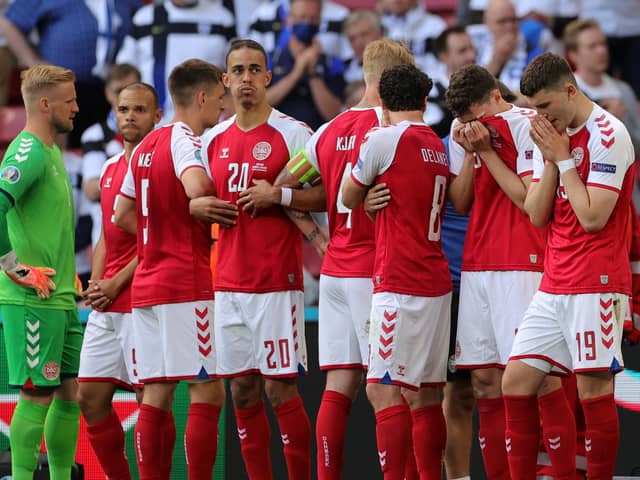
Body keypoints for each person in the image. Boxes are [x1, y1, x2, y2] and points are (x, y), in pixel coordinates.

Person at [502, 52, 635, 479]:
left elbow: (594, 217)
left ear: (570, 91)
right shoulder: (554, 137)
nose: (538, 117)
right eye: (533, 107)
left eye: (544, 107)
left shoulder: (608, 134)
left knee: (594, 390)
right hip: (554, 282)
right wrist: (549, 157)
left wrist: (563, 160)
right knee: (515, 382)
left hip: (596, 282)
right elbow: (537, 214)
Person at [192, 39, 312, 480]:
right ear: (225, 81)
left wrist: (278, 194)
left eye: (254, 69)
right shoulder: (211, 140)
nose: (246, 78)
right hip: (225, 284)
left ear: (268, 77)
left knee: (281, 389)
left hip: (276, 283)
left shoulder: (294, 134)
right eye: (237, 70)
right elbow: (195, 201)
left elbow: (324, 196)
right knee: (241, 390)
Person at [114, 59, 227, 480]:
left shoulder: (144, 146)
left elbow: (122, 212)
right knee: (207, 391)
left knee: (156, 393)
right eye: (219, 97)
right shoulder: (185, 139)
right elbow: (198, 190)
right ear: (201, 97)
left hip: (146, 285)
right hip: (185, 283)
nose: (221, 106)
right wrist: (192, 209)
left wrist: (155, 228)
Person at [342, 63, 451, 480]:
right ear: (425, 101)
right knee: (425, 394)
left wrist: (367, 195)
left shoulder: (383, 138)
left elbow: (348, 196)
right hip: (435, 280)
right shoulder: (436, 145)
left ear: (381, 103)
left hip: (399, 281)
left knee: (382, 389)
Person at [445, 64, 548, 479]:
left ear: (493, 97)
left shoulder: (526, 125)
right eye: (466, 122)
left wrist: (488, 150)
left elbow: (528, 200)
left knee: (527, 379)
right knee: (485, 381)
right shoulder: (465, 133)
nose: (472, 127)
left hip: (521, 261)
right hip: (476, 265)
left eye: (476, 118)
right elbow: (462, 203)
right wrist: (470, 152)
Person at [0, 65, 82, 480]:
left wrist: (69, 274)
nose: (77, 108)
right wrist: (13, 267)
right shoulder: (28, 151)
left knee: (70, 395)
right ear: (45, 103)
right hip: (33, 298)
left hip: (60, 295)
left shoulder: (50, 151)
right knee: (37, 394)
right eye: (69, 100)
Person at [77, 82, 162, 480]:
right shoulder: (110, 168)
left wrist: (116, 284)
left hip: (144, 300)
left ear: (157, 117)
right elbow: (106, 238)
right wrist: (96, 286)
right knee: (90, 398)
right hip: (107, 303)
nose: (130, 116)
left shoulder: (165, 168)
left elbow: (159, 239)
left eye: (139, 110)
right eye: (124, 109)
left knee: (151, 402)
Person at [0, 0, 141, 147]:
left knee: (111, 150)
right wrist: (32, 61)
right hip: (64, 88)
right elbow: (9, 23)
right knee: (62, 154)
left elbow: (143, 17)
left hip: (114, 87)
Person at [116, 0, 235, 124]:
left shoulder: (222, 18)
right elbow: (124, 71)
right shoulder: (145, 17)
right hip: (155, 120)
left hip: (208, 122)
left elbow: (234, 69)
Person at [80, 63, 141, 249]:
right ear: (107, 93)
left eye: (131, 90)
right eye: (119, 91)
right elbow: (91, 190)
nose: (126, 98)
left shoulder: (160, 131)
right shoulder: (95, 135)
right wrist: (141, 179)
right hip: (109, 239)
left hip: (147, 232)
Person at [563, 18, 640, 155]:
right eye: (592, 46)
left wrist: (621, 124)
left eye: (603, 44)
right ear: (573, 54)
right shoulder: (565, 93)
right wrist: (609, 121)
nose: (602, 51)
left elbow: (637, 148)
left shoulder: (623, 90)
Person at [266, 0, 345, 130]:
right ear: (289, 19)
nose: (307, 23)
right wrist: (296, 73)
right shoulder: (270, 59)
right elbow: (260, 104)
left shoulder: (331, 63)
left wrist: (313, 72)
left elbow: (334, 114)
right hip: (279, 140)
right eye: (302, 17)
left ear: (320, 20)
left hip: (316, 141)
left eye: (313, 18)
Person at [426, 25, 477, 138]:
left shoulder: (487, 86)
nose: (471, 56)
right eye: (462, 51)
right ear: (443, 57)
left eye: (472, 48)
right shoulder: (431, 93)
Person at [342, 10, 384, 84]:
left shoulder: (397, 64)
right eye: (352, 39)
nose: (359, 43)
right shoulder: (343, 70)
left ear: (380, 34)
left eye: (364, 35)